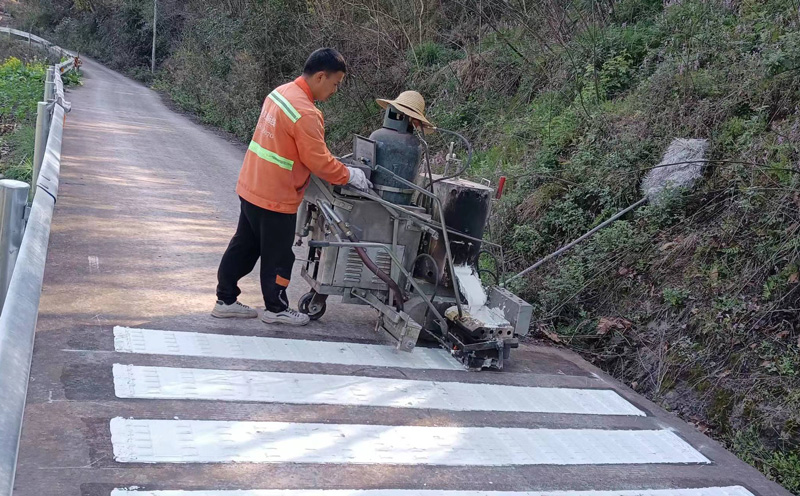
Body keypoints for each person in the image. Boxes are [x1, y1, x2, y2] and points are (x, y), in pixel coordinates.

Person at [212, 48, 372, 326]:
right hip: (276, 194)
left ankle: (225, 299)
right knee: (279, 255)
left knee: (244, 245)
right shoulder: (306, 112)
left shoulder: (280, 93)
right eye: (335, 84)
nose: (335, 91)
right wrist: (350, 175)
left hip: (252, 184)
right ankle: (275, 309)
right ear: (321, 76)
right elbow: (320, 162)